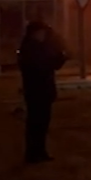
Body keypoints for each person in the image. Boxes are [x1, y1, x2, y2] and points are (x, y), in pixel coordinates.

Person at [17, 20, 68, 164]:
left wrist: (60, 57)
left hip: (42, 89)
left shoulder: (38, 47)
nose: (43, 34)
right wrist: (57, 58)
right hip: (36, 90)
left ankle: (39, 151)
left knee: (42, 122)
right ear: (35, 32)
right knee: (36, 122)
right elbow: (41, 66)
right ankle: (33, 153)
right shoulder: (30, 49)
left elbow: (52, 64)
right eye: (41, 32)